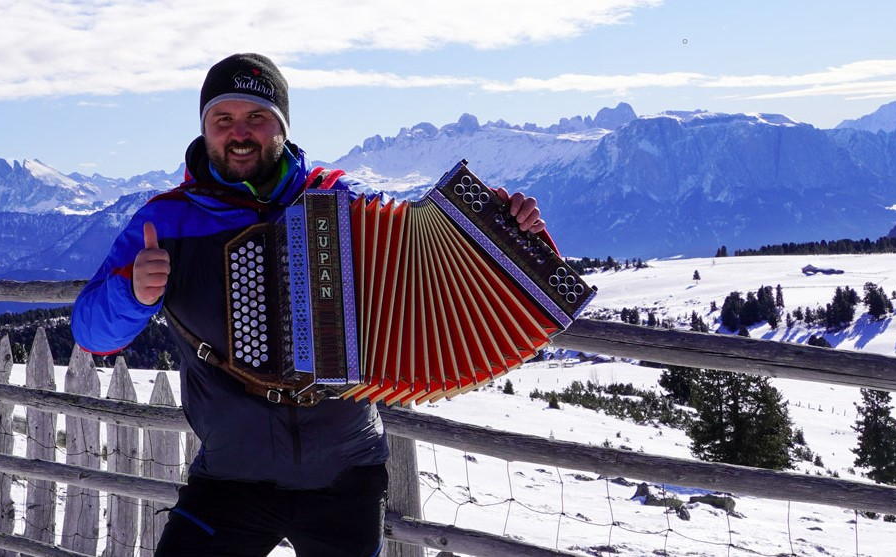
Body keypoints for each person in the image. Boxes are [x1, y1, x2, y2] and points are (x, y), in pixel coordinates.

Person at [72, 53, 546, 557]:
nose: (239, 133)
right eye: (223, 119)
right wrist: (132, 293)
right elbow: (91, 332)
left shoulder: (341, 204)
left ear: (282, 126)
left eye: (257, 117)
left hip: (347, 474)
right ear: (204, 129)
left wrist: (509, 235)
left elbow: (433, 267)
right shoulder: (167, 220)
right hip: (232, 477)